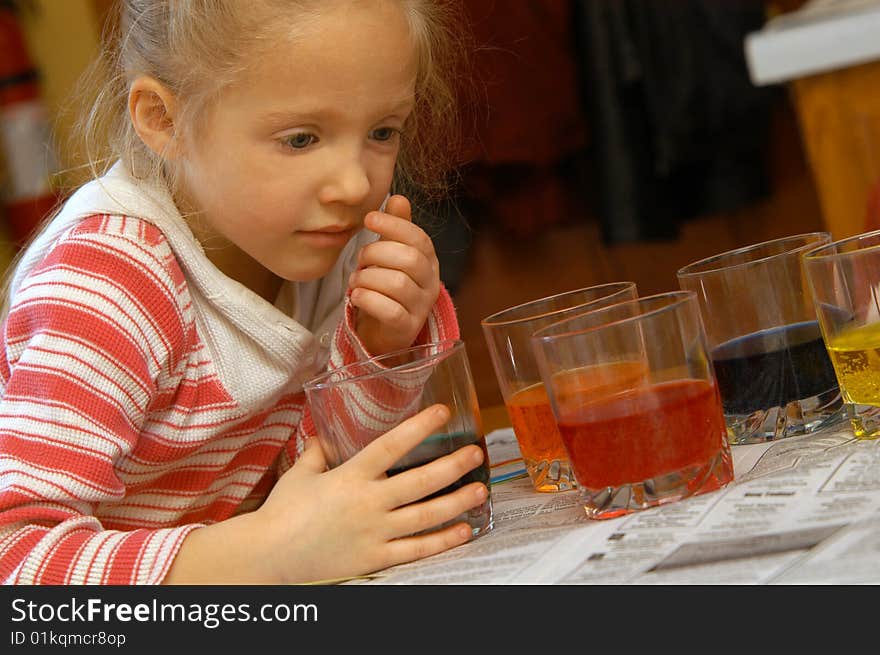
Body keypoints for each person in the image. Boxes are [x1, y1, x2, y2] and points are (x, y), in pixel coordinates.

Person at [0, 0, 487, 585]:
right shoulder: (109, 278)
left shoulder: (329, 241)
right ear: (164, 120)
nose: (355, 183)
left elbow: (323, 497)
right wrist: (264, 554)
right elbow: (16, 562)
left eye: (382, 131)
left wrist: (377, 349)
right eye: (301, 139)